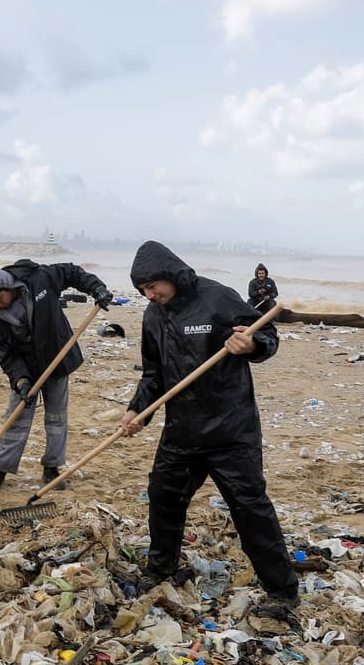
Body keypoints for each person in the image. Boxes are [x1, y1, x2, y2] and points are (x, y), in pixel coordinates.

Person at [117, 241, 300, 611]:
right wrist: (138, 411)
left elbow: (267, 336)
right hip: (182, 429)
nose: (150, 295)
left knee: (249, 507)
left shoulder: (217, 298)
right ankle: (161, 568)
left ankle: (282, 591)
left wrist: (249, 345)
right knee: (164, 497)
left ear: (169, 274)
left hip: (230, 429)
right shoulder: (154, 314)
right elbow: (153, 375)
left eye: (153, 287)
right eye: (143, 292)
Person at [0, 261, 113, 489]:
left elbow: (71, 272)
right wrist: (21, 381)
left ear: (8, 287)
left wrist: (96, 288)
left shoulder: (39, 279)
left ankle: (51, 468)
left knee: (56, 417)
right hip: (26, 368)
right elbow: (6, 353)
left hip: (57, 358)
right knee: (15, 418)